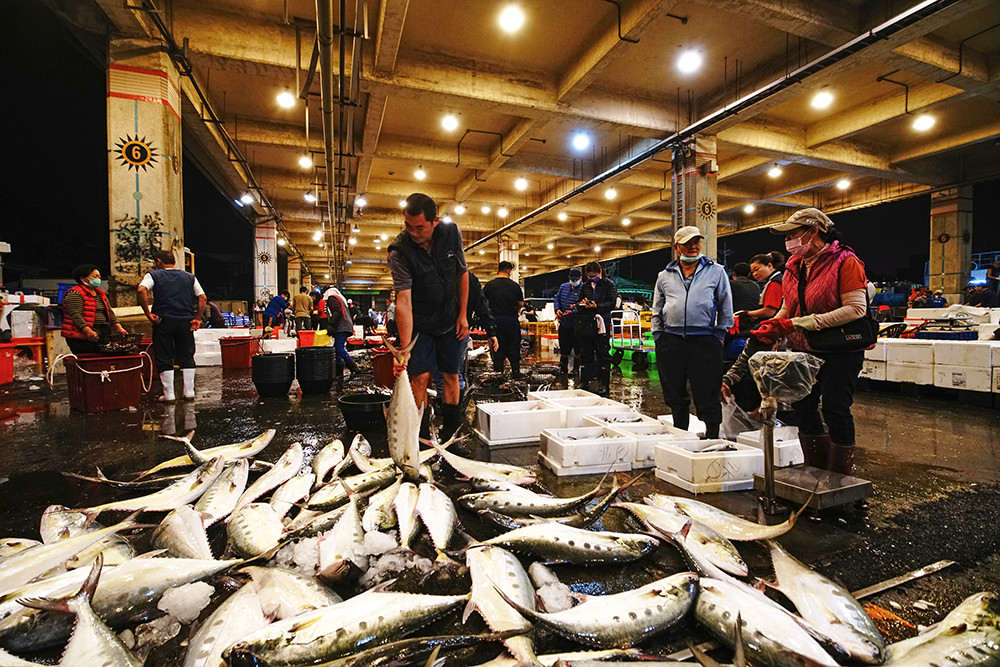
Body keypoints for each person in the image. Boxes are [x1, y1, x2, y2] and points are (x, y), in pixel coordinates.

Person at [751, 207, 869, 475]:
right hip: (803, 350)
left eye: (793, 234)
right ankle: (816, 471)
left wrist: (798, 323)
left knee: (835, 408)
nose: (788, 240)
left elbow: (855, 309)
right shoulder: (794, 266)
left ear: (814, 231)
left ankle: (841, 476)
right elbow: (788, 307)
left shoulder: (846, 261)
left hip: (840, 349)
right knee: (803, 406)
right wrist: (774, 325)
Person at [387, 192, 469, 442]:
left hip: (450, 319)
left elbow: (462, 274)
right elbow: (404, 300)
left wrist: (463, 315)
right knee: (419, 377)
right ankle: (419, 440)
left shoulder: (451, 232)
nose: (413, 232)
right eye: (408, 226)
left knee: (451, 376)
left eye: (419, 227)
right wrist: (405, 346)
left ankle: (451, 438)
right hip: (419, 324)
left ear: (435, 222)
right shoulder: (399, 252)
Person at [651, 226, 733, 439]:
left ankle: (713, 436)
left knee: (707, 391)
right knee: (674, 390)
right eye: (687, 244)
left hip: (705, 340)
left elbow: (726, 305)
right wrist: (658, 335)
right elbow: (657, 308)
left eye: (696, 242)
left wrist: (719, 335)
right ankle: (681, 434)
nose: (693, 246)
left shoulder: (716, 271)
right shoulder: (664, 275)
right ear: (677, 248)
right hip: (671, 340)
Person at [137, 248, 206, 402]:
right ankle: (189, 393)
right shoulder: (189, 277)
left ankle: (169, 395)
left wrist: (148, 313)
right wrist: (197, 318)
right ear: (174, 262)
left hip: (164, 321)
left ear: (158, 261)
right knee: (187, 355)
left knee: (164, 355)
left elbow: (141, 290)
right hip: (185, 322)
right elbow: (202, 298)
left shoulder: (153, 275)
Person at [61, 264, 128, 355]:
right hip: (80, 336)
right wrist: (88, 331)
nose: (98, 279)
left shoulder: (100, 294)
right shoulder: (75, 293)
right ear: (83, 278)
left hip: (100, 333)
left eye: (99, 276)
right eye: (95, 276)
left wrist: (119, 327)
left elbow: (109, 311)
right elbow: (75, 315)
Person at [575, 261, 618, 396]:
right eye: (590, 276)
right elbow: (578, 301)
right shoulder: (585, 286)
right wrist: (581, 304)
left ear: (600, 272)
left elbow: (612, 302)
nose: (592, 279)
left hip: (602, 323)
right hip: (587, 324)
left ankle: (604, 385)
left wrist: (597, 306)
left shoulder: (609, 284)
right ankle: (584, 383)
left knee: (603, 354)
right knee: (585, 353)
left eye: (594, 276)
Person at [483, 260, 524, 378]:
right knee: (513, 346)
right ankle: (516, 374)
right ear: (509, 272)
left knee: (497, 347)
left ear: (497, 271)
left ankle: (498, 375)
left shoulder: (489, 285)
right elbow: (520, 303)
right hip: (511, 319)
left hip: (495, 320)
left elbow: (483, 304)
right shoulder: (515, 286)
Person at [322, 284, 359, 377]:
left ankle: (353, 367)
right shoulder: (340, 298)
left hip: (342, 326)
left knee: (338, 348)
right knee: (337, 348)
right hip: (345, 325)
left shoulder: (332, 298)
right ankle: (339, 373)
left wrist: (331, 325)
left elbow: (337, 312)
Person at [553, 267, 583, 376]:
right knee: (564, 345)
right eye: (572, 279)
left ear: (580, 278)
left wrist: (573, 312)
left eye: (576, 279)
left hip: (576, 324)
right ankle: (563, 368)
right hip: (564, 322)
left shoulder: (583, 288)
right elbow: (557, 299)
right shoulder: (563, 287)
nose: (573, 282)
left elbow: (583, 306)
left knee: (577, 347)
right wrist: (557, 310)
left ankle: (575, 369)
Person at [744, 253, 784, 327]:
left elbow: (769, 311)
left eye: (757, 269)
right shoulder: (777, 279)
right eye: (752, 272)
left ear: (769, 266)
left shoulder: (775, 283)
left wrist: (746, 313)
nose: (755, 274)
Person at [729, 262, 761, 326]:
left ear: (734, 273)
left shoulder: (729, 284)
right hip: (752, 323)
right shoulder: (755, 285)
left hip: (734, 323)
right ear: (749, 274)